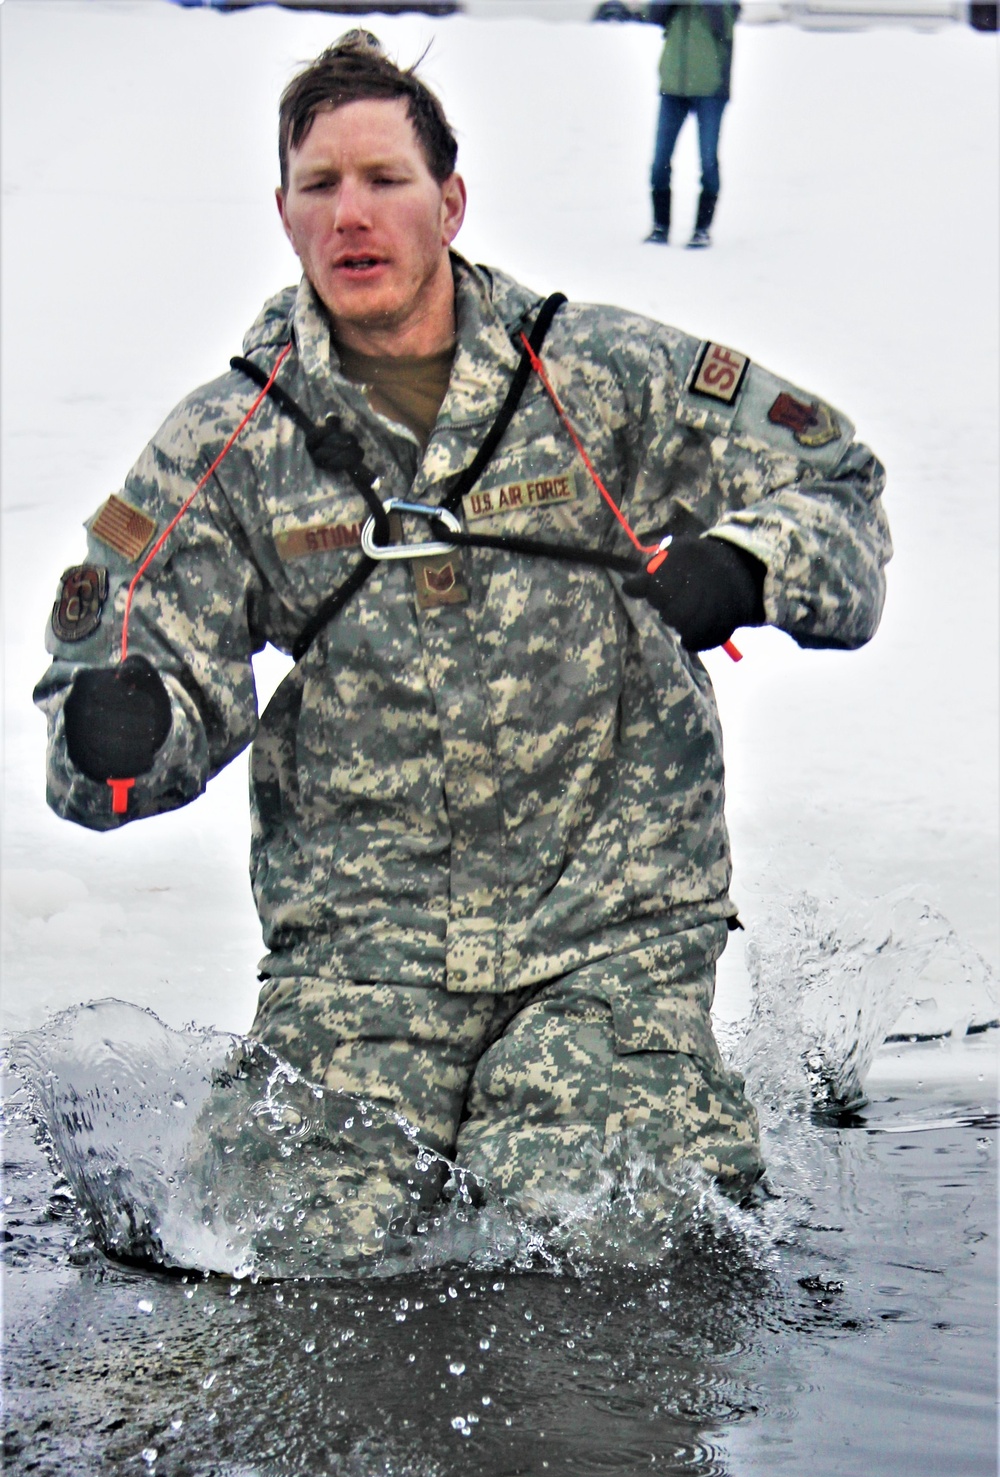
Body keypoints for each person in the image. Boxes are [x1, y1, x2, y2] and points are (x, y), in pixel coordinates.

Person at [35, 32, 890, 1265]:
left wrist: (750, 562)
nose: (352, 214)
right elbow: (109, 714)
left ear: (450, 200)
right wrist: (127, 731)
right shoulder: (223, 446)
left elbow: (835, 478)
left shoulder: (594, 376)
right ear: (282, 214)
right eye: (320, 186)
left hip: (611, 932)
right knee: (265, 1259)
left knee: (602, 1250)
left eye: (383, 178)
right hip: (361, 958)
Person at [644, 2, 740, 247]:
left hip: (711, 89)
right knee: (659, 161)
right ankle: (660, 225)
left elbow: (724, 25)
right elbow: (652, 15)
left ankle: (702, 228)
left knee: (708, 161)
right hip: (673, 88)